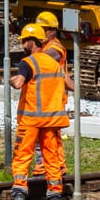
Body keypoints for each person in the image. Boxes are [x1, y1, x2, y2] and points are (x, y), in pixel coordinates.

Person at [9, 23, 70, 200]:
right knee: (51, 159)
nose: (22, 44)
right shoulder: (53, 63)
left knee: (22, 157)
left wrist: (13, 80)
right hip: (50, 121)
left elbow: (19, 83)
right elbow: (70, 84)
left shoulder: (28, 62)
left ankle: (19, 194)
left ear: (30, 41)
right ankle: (53, 197)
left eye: (24, 41)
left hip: (30, 121)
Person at [31, 11, 73, 178]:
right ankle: (55, 165)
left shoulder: (54, 49)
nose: (43, 32)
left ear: (53, 30)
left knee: (50, 135)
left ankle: (51, 166)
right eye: (40, 29)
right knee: (49, 135)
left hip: (54, 99)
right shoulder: (46, 46)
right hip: (47, 97)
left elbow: (39, 61)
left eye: (45, 29)